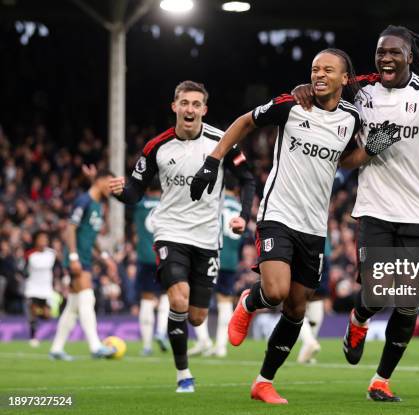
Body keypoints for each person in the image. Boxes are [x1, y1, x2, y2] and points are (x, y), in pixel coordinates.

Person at [190, 48, 400, 404]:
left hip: (314, 226)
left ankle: (263, 382)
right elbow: (244, 122)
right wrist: (212, 161)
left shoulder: (350, 117)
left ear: (344, 79)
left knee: (296, 309)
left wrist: (371, 150)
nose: (319, 75)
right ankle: (249, 302)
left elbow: (344, 161)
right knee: (274, 291)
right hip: (278, 214)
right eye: (315, 69)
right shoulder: (291, 104)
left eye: (328, 70)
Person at [292, 24, 419, 402]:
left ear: (409, 57)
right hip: (375, 208)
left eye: (394, 52)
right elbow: (326, 85)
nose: (386, 58)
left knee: (409, 300)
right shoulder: (361, 90)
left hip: (417, 211)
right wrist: (302, 91)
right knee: (379, 291)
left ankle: (380, 380)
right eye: (381, 52)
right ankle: (358, 320)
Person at [109, 80, 255, 393]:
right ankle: (183, 374)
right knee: (178, 298)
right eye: (184, 103)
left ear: (204, 109)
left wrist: (243, 216)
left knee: (198, 317)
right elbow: (136, 192)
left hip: (207, 237)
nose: (190, 109)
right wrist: (122, 193)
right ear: (174, 106)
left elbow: (247, 179)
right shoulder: (156, 147)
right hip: (170, 231)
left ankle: (186, 336)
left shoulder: (221, 141)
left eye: (196, 104)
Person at [49, 169, 117, 360]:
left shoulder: (98, 205)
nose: (112, 189)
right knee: (88, 298)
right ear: (101, 181)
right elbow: (70, 228)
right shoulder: (83, 201)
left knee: (73, 306)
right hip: (77, 259)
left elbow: (92, 235)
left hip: (85, 257)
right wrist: (72, 257)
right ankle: (95, 346)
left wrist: (104, 256)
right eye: (110, 184)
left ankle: (56, 349)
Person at [189, 172, 244, 358]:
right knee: (225, 302)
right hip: (230, 259)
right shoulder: (240, 208)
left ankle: (203, 339)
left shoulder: (215, 202)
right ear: (237, 189)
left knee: (196, 295)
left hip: (211, 254)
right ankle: (221, 346)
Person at [133, 177, 171, 356]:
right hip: (164, 256)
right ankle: (161, 331)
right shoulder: (168, 204)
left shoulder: (139, 205)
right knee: (166, 295)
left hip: (144, 257)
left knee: (146, 300)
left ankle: (147, 345)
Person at [24, 230, 58, 348]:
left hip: (46, 289)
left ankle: (36, 319)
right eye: (41, 239)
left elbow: (59, 267)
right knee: (33, 310)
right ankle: (33, 337)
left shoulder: (52, 254)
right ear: (36, 240)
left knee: (47, 315)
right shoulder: (30, 254)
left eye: (45, 239)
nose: (43, 241)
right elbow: (23, 270)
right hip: (33, 288)